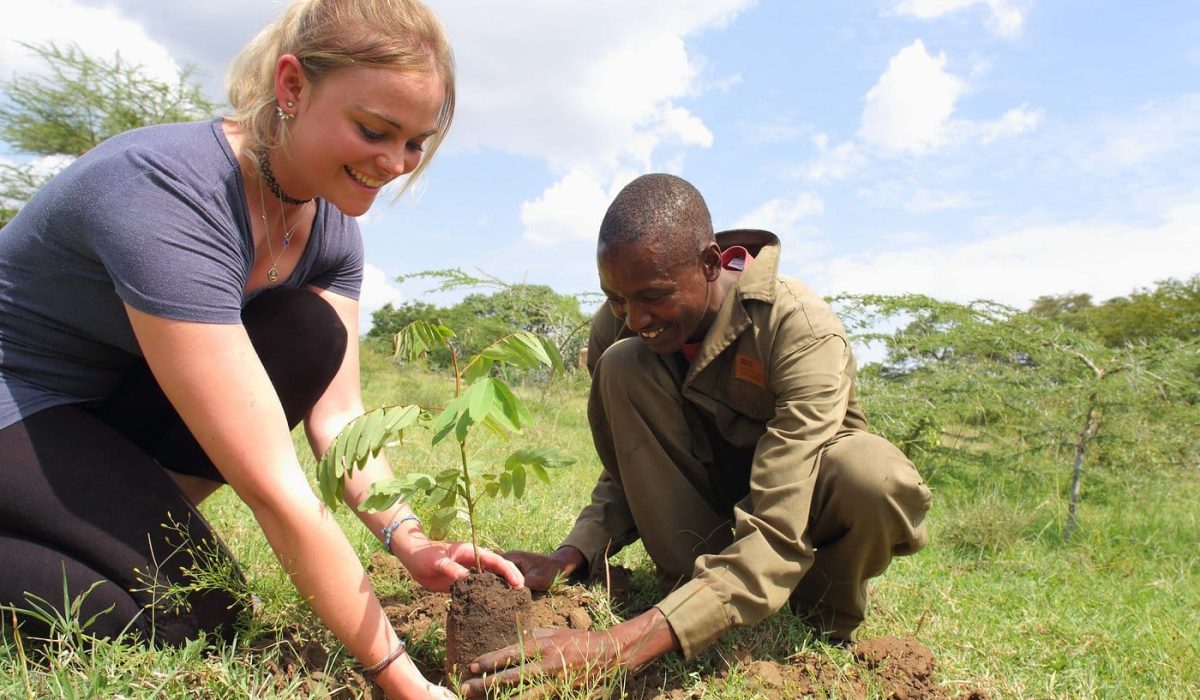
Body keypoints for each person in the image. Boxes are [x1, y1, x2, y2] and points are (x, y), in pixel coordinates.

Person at [0, 1, 523, 698]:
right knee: (197, 613)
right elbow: (274, 488)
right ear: (291, 86)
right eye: (374, 130)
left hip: (98, 416)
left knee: (309, 332)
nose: (394, 163)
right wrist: (401, 678)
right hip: (20, 402)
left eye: (415, 142)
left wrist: (411, 541)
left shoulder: (331, 227)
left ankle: (108, 529)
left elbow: (339, 422)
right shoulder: (167, 195)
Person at [465, 174, 931, 696]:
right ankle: (692, 600)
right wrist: (573, 555)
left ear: (711, 264)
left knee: (872, 473)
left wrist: (619, 645)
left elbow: (781, 522)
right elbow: (631, 463)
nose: (635, 318)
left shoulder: (797, 326)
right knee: (622, 364)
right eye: (616, 298)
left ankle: (816, 622)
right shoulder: (621, 326)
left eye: (652, 297)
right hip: (707, 535)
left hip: (801, 516)